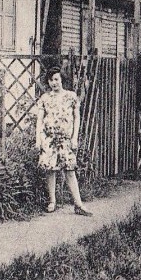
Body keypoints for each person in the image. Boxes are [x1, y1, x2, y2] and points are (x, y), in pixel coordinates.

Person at [35, 68, 93, 216]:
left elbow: (76, 118)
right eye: (51, 80)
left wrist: (74, 138)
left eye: (56, 79)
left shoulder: (71, 97)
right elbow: (40, 120)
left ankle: (78, 204)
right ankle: (52, 201)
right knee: (50, 170)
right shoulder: (45, 98)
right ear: (48, 82)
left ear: (61, 80)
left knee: (70, 170)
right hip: (49, 139)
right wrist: (39, 139)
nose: (54, 83)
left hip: (65, 140)